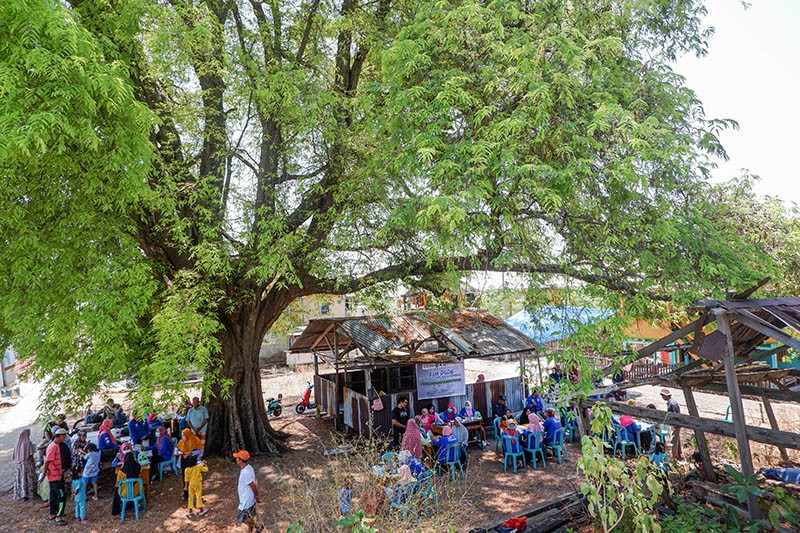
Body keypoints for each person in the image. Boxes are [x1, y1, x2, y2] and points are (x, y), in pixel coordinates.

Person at [44, 428, 69, 525]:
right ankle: (59, 516)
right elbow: (47, 461)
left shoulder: (56, 445)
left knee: (53, 494)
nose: (65, 438)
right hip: (55, 476)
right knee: (62, 496)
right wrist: (45, 471)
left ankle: (53, 513)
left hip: (55, 474)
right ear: (60, 436)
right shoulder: (53, 447)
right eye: (64, 436)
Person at [234, 450, 262, 533]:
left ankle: (258, 526)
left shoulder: (245, 472)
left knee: (242, 518)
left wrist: (257, 496)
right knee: (251, 515)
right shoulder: (248, 467)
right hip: (250, 498)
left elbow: (253, 485)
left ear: (240, 460)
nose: (236, 459)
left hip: (246, 499)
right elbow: (255, 480)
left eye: (237, 458)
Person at [112, 449, 141, 516]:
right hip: (137, 491)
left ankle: (116, 510)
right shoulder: (138, 467)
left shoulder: (121, 471)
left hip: (125, 493)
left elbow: (118, 483)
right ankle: (130, 505)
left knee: (117, 490)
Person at [13, 429, 36, 501]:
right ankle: (28, 493)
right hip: (26, 464)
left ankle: (21, 494)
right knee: (27, 479)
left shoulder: (17, 443)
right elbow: (30, 455)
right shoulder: (28, 442)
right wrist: (34, 463)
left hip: (18, 465)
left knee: (20, 479)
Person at [660, 389, 682, 459]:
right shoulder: (671, 402)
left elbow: (675, 415)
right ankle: (678, 453)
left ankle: (674, 456)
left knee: (673, 440)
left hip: (676, 424)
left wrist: (674, 424)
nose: (662, 397)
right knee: (676, 438)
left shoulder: (672, 403)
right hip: (674, 423)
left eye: (662, 396)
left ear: (665, 396)